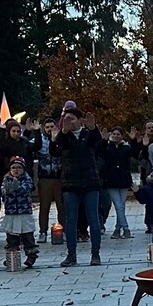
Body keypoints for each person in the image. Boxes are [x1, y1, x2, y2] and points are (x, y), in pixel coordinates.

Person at [51, 104, 104, 267]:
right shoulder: (63, 136)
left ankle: (95, 254)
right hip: (70, 183)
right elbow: (55, 151)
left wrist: (93, 128)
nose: (69, 121)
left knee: (93, 219)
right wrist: (63, 132)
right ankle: (71, 255)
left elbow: (99, 146)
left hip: (90, 182)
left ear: (80, 120)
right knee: (71, 220)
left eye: (72, 119)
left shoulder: (88, 134)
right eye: (66, 119)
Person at [0, 156, 39, 268]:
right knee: (11, 237)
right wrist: (7, 189)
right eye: (14, 167)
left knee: (27, 236)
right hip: (11, 213)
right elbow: (3, 191)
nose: (16, 170)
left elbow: (26, 189)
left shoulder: (27, 179)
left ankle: (31, 256)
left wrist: (17, 187)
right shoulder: (6, 179)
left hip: (24, 213)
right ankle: (12, 256)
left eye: (19, 167)